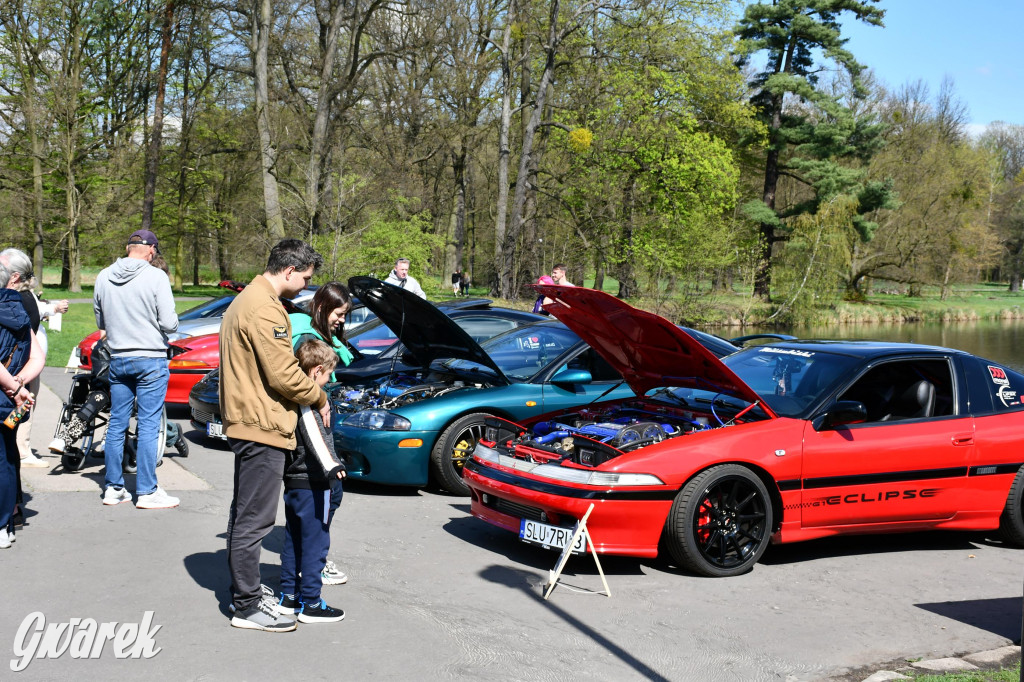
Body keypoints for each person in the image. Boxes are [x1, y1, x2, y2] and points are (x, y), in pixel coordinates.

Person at [220, 238, 330, 633]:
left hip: (252, 421)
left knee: (244, 515)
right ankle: (247, 605)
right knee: (255, 519)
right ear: (288, 271)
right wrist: (318, 396)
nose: (305, 285)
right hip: (261, 426)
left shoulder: (249, 300)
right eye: (305, 278)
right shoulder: (263, 307)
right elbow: (283, 373)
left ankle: (246, 593)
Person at [93, 229, 179, 509]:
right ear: (152, 250)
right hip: (150, 357)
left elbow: (100, 321)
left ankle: (113, 487)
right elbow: (169, 323)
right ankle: (146, 490)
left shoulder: (104, 275)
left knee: (117, 423)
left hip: (118, 357)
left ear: (129, 248)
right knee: (149, 424)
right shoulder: (156, 276)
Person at [273, 339, 346, 623]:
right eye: (328, 374)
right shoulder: (309, 400)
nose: (329, 380)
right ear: (316, 371)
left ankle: (289, 597)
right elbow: (314, 435)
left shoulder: (291, 397)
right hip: (313, 482)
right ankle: (312, 603)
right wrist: (332, 465)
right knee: (316, 544)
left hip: (294, 483)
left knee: (294, 541)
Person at [0, 249, 45, 549]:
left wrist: (12, 386)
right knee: (6, 456)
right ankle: (6, 520)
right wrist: (19, 383)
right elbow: (37, 355)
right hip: (11, 398)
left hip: (10, 394)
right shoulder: (23, 305)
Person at [12, 272, 69, 468]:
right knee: (25, 405)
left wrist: (53, 308)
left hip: (25, 365)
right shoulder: (25, 298)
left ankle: (17, 446)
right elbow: (34, 316)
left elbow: (40, 309)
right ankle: (22, 449)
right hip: (26, 366)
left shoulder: (22, 297)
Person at [289, 282, 354, 376]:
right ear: (321, 307)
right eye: (339, 314)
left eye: (345, 314)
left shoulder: (307, 326)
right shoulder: (307, 340)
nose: (342, 319)